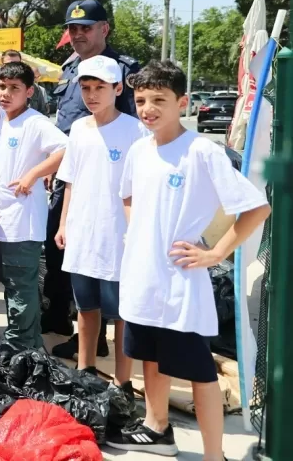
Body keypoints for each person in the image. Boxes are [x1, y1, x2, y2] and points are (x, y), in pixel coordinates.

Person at [106, 61, 269, 461]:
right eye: (141, 100)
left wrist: (216, 253)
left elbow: (255, 208)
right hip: (141, 277)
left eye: (159, 100)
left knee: (199, 372)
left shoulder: (201, 151)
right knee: (149, 357)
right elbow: (127, 196)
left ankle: (214, 454)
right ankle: (156, 427)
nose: (148, 108)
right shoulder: (139, 150)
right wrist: (140, 232)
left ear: (182, 102)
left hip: (180, 283)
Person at [49, 0, 141, 356]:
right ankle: (76, 331)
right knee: (67, 257)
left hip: (113, 189)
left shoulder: (124, 71)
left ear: (104, 29)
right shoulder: (69, 68)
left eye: (86, 27)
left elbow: (133, 134)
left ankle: (107, 348)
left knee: (110, 277)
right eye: (73, 29)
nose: (78, 34)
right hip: (73, 180)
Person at [54, 56, 146, 391]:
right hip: (82, 231)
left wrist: (136, 231)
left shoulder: (135, 130)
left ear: (117, 88)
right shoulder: (78, 128)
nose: (92, 94)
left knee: (121, 313)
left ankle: (123, 380)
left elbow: (140, 187)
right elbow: (70, 181)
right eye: (86, 87)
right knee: (86, 306)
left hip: (118, 235)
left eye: (100, 88)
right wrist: (64, 224)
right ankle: (85, 370)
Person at [0, 61, 67, 350]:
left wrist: (34, 173)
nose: (6, 94)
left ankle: (20, 347)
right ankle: (29, 345)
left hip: (23, 220)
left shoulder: (34, 122)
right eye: (2, 87)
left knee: (21, 286)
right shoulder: (0, 121)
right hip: (2, 220)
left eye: (14, 89)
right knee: (13, 285)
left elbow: (65, 149)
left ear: (29, 92)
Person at [0, 50, 48, 115]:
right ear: (1, 65)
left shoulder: (34, 88)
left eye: (17, 64)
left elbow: (43, 112)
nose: (13, 67)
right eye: (8, 64)